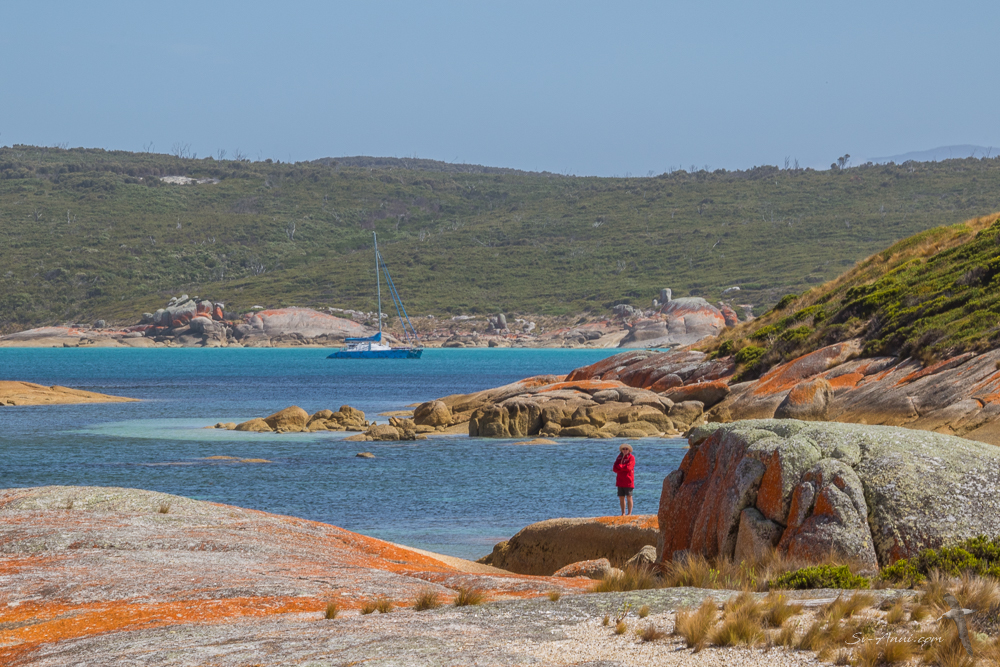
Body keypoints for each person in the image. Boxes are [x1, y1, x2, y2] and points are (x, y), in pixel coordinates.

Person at [613, 443, 635, 516]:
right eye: (623, 449)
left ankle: (629, 513)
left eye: (626, 449)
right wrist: (622, 467)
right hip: (620, 481)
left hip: (628, 480)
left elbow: (629, 468)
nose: (625, 450)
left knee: (629, 497)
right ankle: (623, 513)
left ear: (629, 450)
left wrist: (620, 467)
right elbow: (614, 468)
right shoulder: (619, 457)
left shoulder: (631, 458)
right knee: (621, 497)